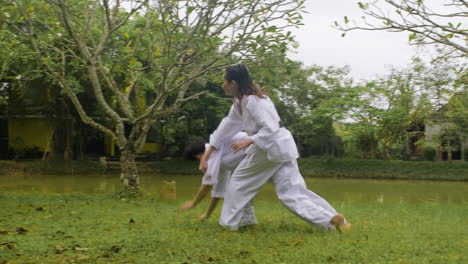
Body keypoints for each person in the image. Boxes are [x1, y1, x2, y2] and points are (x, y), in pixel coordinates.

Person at [199, 64, 351, 232]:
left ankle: (237, 224)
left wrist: (249, 141)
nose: (222, 85)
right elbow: (227, 127)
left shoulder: (255, 101)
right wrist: (208, 153)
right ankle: (332, 220)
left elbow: (270, 127)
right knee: (291, 192)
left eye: (224, 81)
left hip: (269, 147)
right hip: (279, 148)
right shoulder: (239, 102)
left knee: (238, 183)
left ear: (233, 82)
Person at [180, 132, 257, 226]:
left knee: (238, 189)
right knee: (237, 189)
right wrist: (207, 214)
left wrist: (193, 203)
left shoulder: (212, 155)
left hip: (258, 149)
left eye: (197, 159)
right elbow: (218, 191)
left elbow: (206, 187)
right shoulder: (220, 159)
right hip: (255, 156)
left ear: (198, 155)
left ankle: (246, 222)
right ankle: (247, 223)